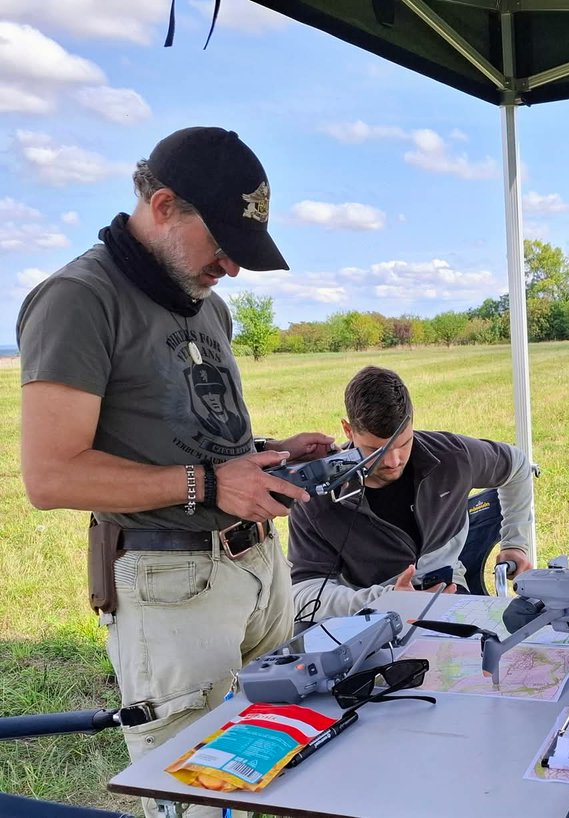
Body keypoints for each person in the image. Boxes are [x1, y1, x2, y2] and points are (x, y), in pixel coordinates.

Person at [17, 127, 334, 818]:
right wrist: (209, 485)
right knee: (200, 794)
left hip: (255, 569)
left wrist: (270, 455)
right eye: (222, 244)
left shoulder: (205, 303)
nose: (232, 268)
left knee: (280, 767)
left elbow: (198, 434)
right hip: (170, 586)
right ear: (163, 206)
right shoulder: (79, 298)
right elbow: (51, 476)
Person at [289, 365, 536, 620]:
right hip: (366, 618)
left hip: (450, 593)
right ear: (348, 430)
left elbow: (517, 466)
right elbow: (303, 593)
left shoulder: (452, 456)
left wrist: (515, 543)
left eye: (404, 443)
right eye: (376, 450)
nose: (393, 461)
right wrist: (386, 600)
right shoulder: (316, 496)